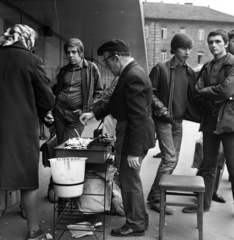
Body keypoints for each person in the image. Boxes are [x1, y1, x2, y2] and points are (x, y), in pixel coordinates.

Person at [80, 39, 155, 237]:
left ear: (116, 57)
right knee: (130, 179)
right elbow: (115, 103)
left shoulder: (132, 76)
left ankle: (135, 223)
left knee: (129, 180)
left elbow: (138, 117)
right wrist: (93, 114)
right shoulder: (130, 73)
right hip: (130, 132)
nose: (107, 66)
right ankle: (139, 218)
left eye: (107, 62)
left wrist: (134, 151)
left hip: (133, 133)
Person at [0, 24, 55, 239]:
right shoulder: (31, 60)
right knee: (27, 179)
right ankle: (34, 231)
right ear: (27, 40)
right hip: (20, 130)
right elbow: (47, 99)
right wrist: (44, 112)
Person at [183, 28, 234, 213]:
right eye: (211, 42)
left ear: (226, 43)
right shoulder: (206, 67)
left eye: (218, 41)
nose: (213, 45)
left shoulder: (232, 64)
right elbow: (197, 93)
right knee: (208, 165)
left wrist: (210, 92)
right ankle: (203, 205)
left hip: (230, 123)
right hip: (211, 120)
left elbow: (227, 90)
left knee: (233, 167)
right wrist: (218, 95)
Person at [147, 33, 198, 215]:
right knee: (169, 158)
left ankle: (155, 195)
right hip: (163, 120)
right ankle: (156, 198)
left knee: (173, 160)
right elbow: (149, 92)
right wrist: (162, 110)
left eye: (189, 49)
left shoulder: (190, 72)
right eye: (184, 48)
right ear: (175, 49)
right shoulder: (161, 68)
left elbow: (194, 95)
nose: (187, 52)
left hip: (178, 122)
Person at [47, 38, 103, 203]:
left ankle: (67, 188)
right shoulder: (64, 70)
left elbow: (99, 93)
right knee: (59, 150)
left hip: (76, 116)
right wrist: (52, 109)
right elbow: (58, 91)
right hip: (59, 113)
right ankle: (57, 186)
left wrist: (89, 110)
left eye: (73, 52)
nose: (70, 56)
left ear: (81, 52)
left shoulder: (91, 68)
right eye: (68, 53)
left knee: (71, 151)